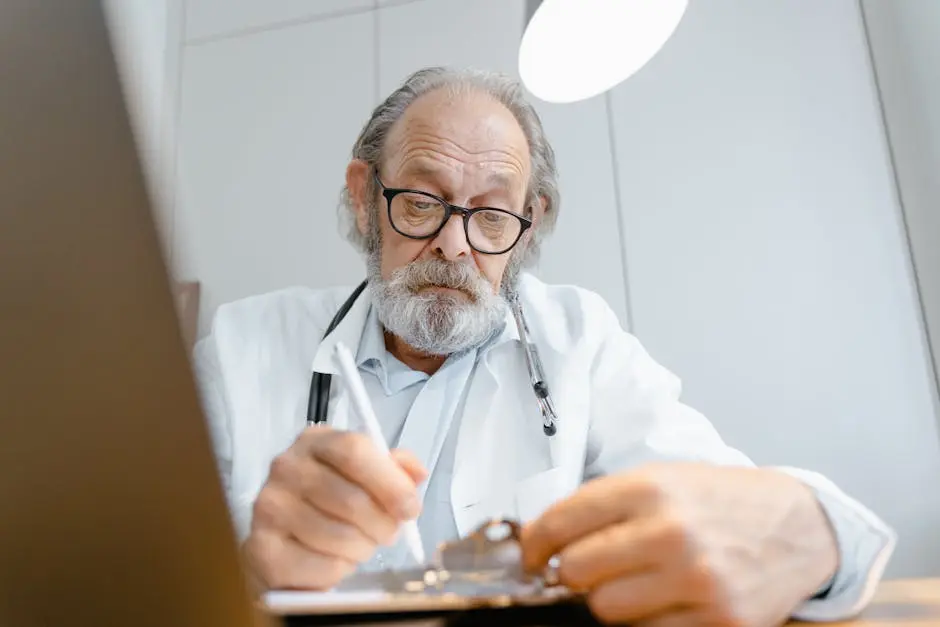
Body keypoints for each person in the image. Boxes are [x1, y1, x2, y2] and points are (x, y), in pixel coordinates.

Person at [194, 66, 896, 626]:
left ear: (528, 227)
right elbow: (123, 574)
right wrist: (247, 570)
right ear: (363, 196)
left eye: (491, 214)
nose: (453, 242)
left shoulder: (579, 341)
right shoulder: (240, 347)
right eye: (420, 201)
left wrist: (812, 529)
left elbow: (727, 507)